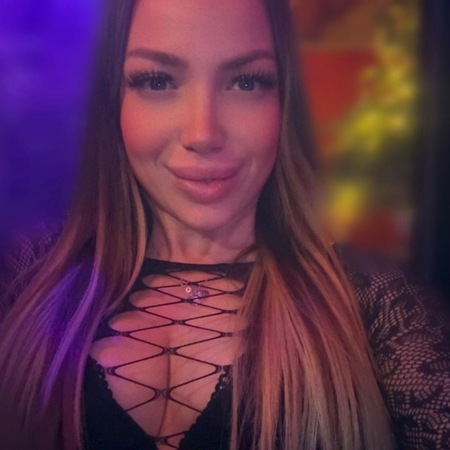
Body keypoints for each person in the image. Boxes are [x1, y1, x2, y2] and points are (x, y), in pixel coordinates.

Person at [0, 1, 449, 449]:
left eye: (246, 82)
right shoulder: (29, 276)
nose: (203, 134)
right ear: (114, 103)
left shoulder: (371, 301)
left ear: (284, 104)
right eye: (157, 81)